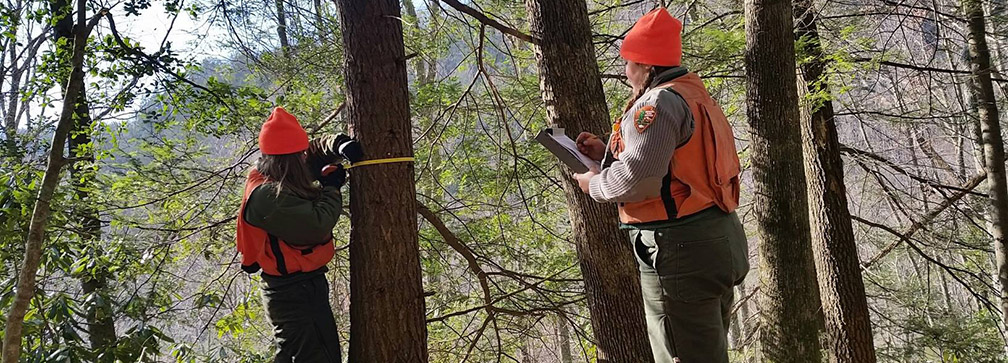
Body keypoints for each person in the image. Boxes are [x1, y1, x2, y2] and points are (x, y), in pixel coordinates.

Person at [572, 8, 750, 363]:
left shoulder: (655, 103)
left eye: (630, 63)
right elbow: (680, 160)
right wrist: (608, 148)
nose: (626, 73)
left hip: (680, 249)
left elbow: (636, 182)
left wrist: (593, 183)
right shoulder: (692, 93)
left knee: (680, 355)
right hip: (718, 238)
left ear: (647, 66)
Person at [235, 107, 350, 362]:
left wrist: (339, 144)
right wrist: (331, 188)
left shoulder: (280, 171)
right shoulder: (267, 196)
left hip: (301, 287)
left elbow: (316, 150)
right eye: (299, 154)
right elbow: (316, 226)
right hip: (292, 294)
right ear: (287, 159)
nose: (304, 156)